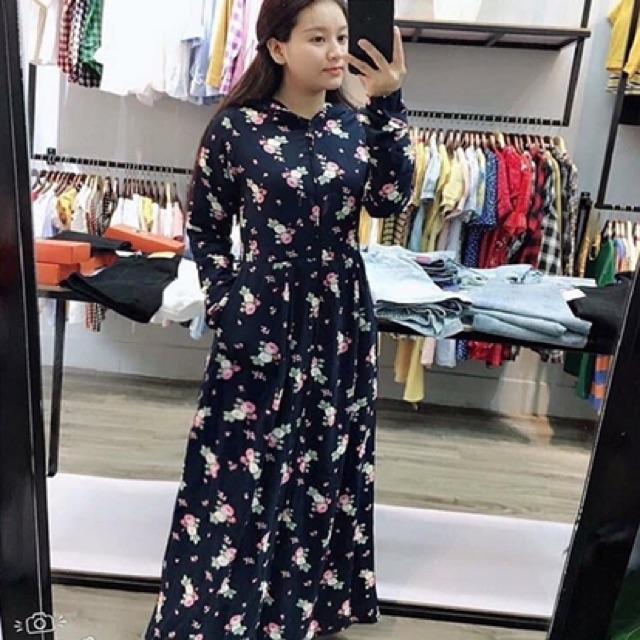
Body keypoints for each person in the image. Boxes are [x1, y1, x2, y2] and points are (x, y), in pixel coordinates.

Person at [143, 0, 413, 638]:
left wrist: (389, 104)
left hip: (340, 316)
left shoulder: (355, 124)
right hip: (260, 313)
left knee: (324, 458)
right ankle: (218, 609)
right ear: (277, 47)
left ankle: (301, 611)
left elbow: (390, 199)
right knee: (238, 459)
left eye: (342, 37)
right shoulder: (236, 129)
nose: (335, 52)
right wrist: (226, 302)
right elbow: (207, 227)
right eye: (317, 38)